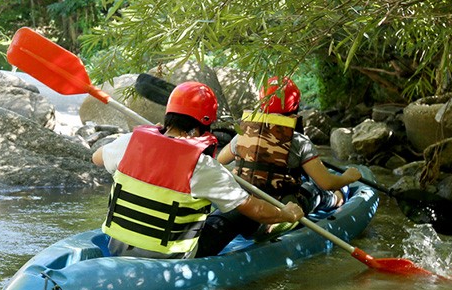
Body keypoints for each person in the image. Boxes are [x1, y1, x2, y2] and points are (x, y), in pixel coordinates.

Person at [92, 81, 304, 259]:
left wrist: (151, 138)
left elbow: (96, 158)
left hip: (117, 247)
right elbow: (255, 209)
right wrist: (285, 214)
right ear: (203, 125)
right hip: (170, 257)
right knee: (238, 213)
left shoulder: (131, 142)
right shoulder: (203, 166)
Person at [195, 76, 361, 256]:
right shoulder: (299, 141)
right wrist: (348, 177)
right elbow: (326, 182)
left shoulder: (242, 136)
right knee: (314, 190)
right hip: (279, 214)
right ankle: (338, 198)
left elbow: (220, 160)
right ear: (295, 108)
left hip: (245, 211)